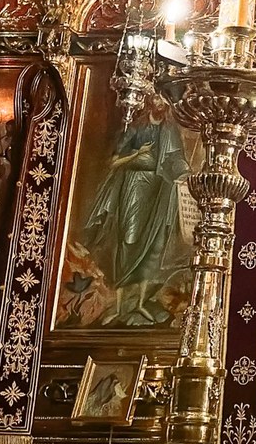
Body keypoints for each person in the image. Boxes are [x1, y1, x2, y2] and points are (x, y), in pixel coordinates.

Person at [72, 94, 190, 326]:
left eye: (164, 100)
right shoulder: (136, 128)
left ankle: (140, 304)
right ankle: (118, 306)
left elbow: (176, 158)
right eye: (157, 99)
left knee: (152, 244)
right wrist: (136, 154)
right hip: (133, 186)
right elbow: (114, 161)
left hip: (158, 191)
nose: (161, 104)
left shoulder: (169, 130)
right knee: (128, 240)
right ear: (150, 101)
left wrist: (184, 171)